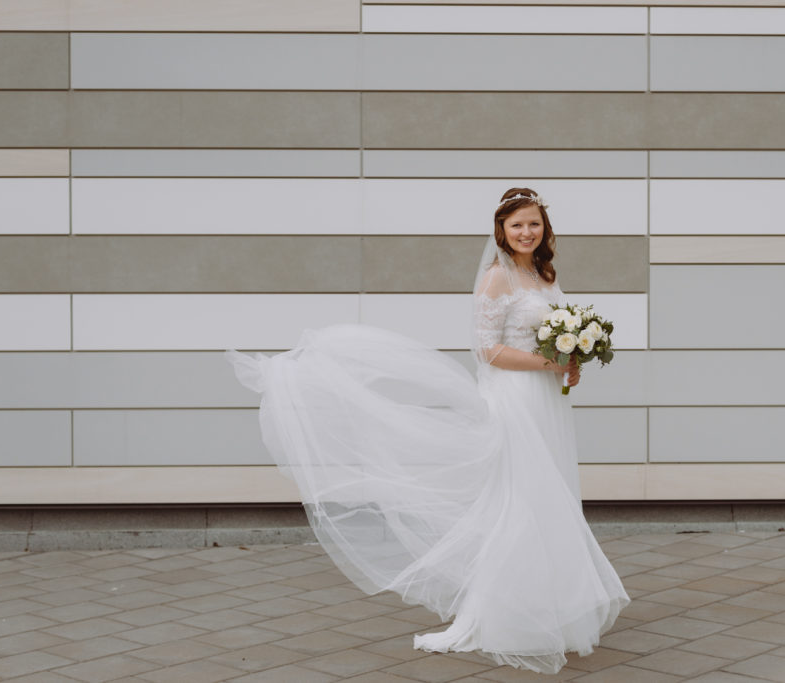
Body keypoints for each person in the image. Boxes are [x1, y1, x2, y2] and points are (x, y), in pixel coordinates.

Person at [226, 187, 629, 674]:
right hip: (515, 397)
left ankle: (552, 607)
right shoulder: (497, 278)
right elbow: (488, 350)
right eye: (517, 224)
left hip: (546, 400)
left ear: (545, 229)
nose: (526, 232)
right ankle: (509, 614)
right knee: (523, 496)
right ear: (501, 230)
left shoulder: (543, 274)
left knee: (551, 492)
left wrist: (570, 362)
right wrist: (549, 360)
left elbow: (551, 336)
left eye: (534, 224)